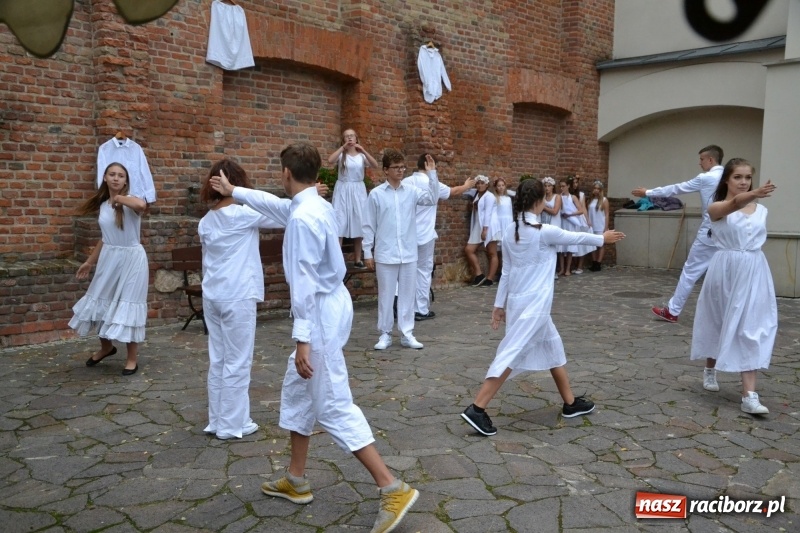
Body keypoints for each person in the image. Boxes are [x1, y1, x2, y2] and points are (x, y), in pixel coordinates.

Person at [212, 142, 419, 533]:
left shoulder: (305, 218)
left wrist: (302, 338)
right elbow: (273, 205)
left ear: (287, 174)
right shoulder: (314, 205)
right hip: (331, 306)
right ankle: (296, 478)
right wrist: (234, 191)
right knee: (297, 390)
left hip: (319, 313)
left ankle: (392, 487)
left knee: (332, 402)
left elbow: (303, 283)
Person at [460, 179, 626, 436]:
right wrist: (602, 238)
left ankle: (570, 403)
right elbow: (576, 236)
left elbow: (506, 273)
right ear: (538, 202)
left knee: (552, 346)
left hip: (521, 303)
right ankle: (477, 408)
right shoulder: (542, 231)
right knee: (511, 353)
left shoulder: (511, 230)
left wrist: (498, 305)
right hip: (534, 305)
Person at [198, 159, 287, 440]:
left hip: (212, 296)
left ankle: (218, 419)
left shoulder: (206, 220)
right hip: (237, 296)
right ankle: (231, 425)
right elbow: (284, 212)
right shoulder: (244, 214)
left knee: (220, 359)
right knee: (237, 361)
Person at [690, 159, 777, 414]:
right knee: (718, 319)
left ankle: (749, 395)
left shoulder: (761, 210)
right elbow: (732, 205)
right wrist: (753, 193)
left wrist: (754, 196)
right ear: (726, 180)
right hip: (725, 268)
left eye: (748, 177)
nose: (743, 182)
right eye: (738, 177)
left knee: (751, 326)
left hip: (754, 268)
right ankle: (710, 367)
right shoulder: (716, 206)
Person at [70, 162, 148, 376]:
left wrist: (120, 199)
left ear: (126, 181)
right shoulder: (103, 205)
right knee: (100, 302)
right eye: (112, 174)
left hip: (132, 259)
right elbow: (105, 239)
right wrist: (89, 262)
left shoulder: (131, 201)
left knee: (128, 305)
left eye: (121, 175)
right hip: (109, 258)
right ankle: (107, 347)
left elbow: (142, 206)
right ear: (104, 177)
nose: (116, 178)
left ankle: (132, 359)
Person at [632, 145, 724, 323]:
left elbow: (677, 188)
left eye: (702, 159)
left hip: (710, 232)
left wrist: (648, 192)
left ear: (710, 160)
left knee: (690, 271)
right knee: (726, 271)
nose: (700, 163)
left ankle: (672, 311)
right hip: (729, 231)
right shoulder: (729, 176)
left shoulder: (706, 178)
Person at [362, 149, 439, 350]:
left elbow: (432, 198)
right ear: (386, 170)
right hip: (386, 253)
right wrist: (367, 251)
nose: (400, 171)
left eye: (402, 167)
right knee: (386, 295)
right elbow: (369, 224)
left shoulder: (411, 191)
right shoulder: (377, 195)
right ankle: (385, 333)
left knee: (407, 294)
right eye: (396, 168)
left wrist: (432, 174)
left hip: (408, 252)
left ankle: (407, 333)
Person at [402, 154, 475, 321]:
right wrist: (466, 185)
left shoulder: (406, 182)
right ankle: (420, 308)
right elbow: (453, 192)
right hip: (425, 233)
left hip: (407, 233)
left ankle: (401, 305)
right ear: (430, 165)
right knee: (423, 270)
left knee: (405, 269)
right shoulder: (432, 183)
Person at [327, 128, 380, 268]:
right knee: (340, 221)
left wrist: (364, 151)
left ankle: (358, 259)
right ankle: (337, 260)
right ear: (343, 140)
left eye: (352, 136)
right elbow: (330, 160)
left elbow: (375, 165)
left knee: (359, 221)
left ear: (356, 138)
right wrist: (342, 148)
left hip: (358, 190)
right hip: (343, 189)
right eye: (346, 137)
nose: (349, 138)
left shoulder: (361, 156)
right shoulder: (342, 155)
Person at [558, 179, 592, 276]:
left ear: (568, 186)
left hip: (571, 222)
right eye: (560, 186)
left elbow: (581, 210)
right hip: (562, 222)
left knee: (570, 245)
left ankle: (568, 269)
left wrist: (570, 214)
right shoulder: (559, 197)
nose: (562, 188)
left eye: (563, 186)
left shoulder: (573, 197)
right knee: (561, 246)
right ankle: (561, 268)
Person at [464, 175, 491, 286]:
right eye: (478, 183)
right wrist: (466, 184)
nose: (480, 185)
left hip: (483, 226)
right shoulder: (477, 194)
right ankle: (479, 275)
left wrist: (485, 230)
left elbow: (488, 214)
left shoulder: (489, 196)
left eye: (482, 183)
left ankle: (481, 275)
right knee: (470, 250)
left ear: (487, 185)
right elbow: (465, 192)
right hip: (477, 224)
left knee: (469, 250)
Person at [486, 177, 514, 283]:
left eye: (503, 185)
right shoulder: (494, 198)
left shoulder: (508, 198)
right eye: (499, 186)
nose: (501, 187)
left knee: (506, 249)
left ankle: (506, 271)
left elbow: (515, 194)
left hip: (508, 223)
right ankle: (499, 271)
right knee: (499, 250)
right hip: (499, 223)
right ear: (495, 187)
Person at [540, 177, 562, 279]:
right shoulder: (542, 197)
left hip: (554, 223)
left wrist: (543, 207)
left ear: (553, 187)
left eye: (549, 186)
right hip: (543, 222)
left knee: (553, 248)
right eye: (545, 186)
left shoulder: (557, 197)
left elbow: (555, 211)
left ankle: (554, 271)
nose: (547, 188)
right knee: (544, 247)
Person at [587, 180, 610, 271]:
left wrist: (606, 226)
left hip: (600, 225)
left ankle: (598, 263)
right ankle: (594, 262)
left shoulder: (604, 200)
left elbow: (607, 214)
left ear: (601, 190)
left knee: (600, 244)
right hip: (592, 225)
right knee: (593, 244)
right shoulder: (590, 200)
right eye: (595, 188)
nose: (596, 190)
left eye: (598, 189)